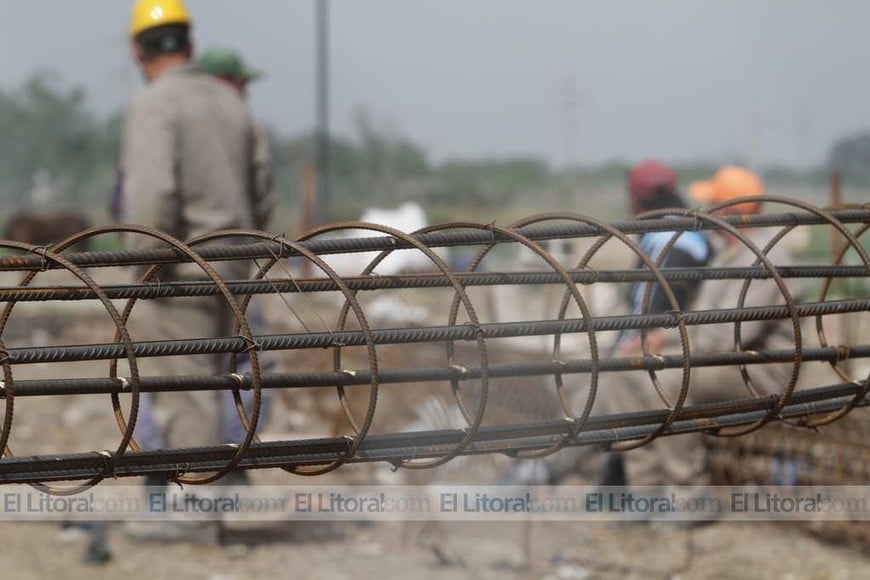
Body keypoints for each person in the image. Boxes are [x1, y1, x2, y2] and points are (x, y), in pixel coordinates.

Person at [121, 0, 261, 544]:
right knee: (219, 381)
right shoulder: (233, 105)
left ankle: (196, 514)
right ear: (191, 45)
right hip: (236, 262)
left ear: (137, 51)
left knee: (188, 388)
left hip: (180, 267)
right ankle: (208, 501)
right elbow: (263, 187)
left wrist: (144, 264)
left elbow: (153, 195)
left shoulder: (156, 104)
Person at [595, 166, 800, 490]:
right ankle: (645, 487)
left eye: (714, 204)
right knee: (622, 371)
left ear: (730, 211)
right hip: (720, 358)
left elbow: (728, 336)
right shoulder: (728, 254)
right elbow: (702, 322)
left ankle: (688, 489)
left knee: (666, 377)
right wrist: (658, 338)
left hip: (758, 368)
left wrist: (668, 344)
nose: (707, 213)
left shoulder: (767, 259)